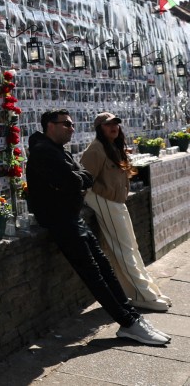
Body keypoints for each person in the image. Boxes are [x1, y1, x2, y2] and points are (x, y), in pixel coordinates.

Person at [26, 109, 170, 345]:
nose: (72, 129)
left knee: (105, 268)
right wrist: (77, 180)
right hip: (61, 221)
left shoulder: (57, 151)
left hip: (73, 218)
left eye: (72, 125)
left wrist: (78, 179)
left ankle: (131, 317)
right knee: (94, 274)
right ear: (50, 126)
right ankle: (128, 323)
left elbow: (84, 177)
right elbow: (75, 180)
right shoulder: (43, 152)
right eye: (66, 125)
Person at [81, 113, 171, 312]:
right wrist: (96, 200)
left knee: (131, 248)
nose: (114, 127)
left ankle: (147, 291)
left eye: (116, 124)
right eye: (108, 124)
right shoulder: (95, 149)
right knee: (123, 251)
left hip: (117, 203)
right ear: (99, 128)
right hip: (105, 201)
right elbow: (84, 182)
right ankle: (141, 296)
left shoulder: (113, 146)